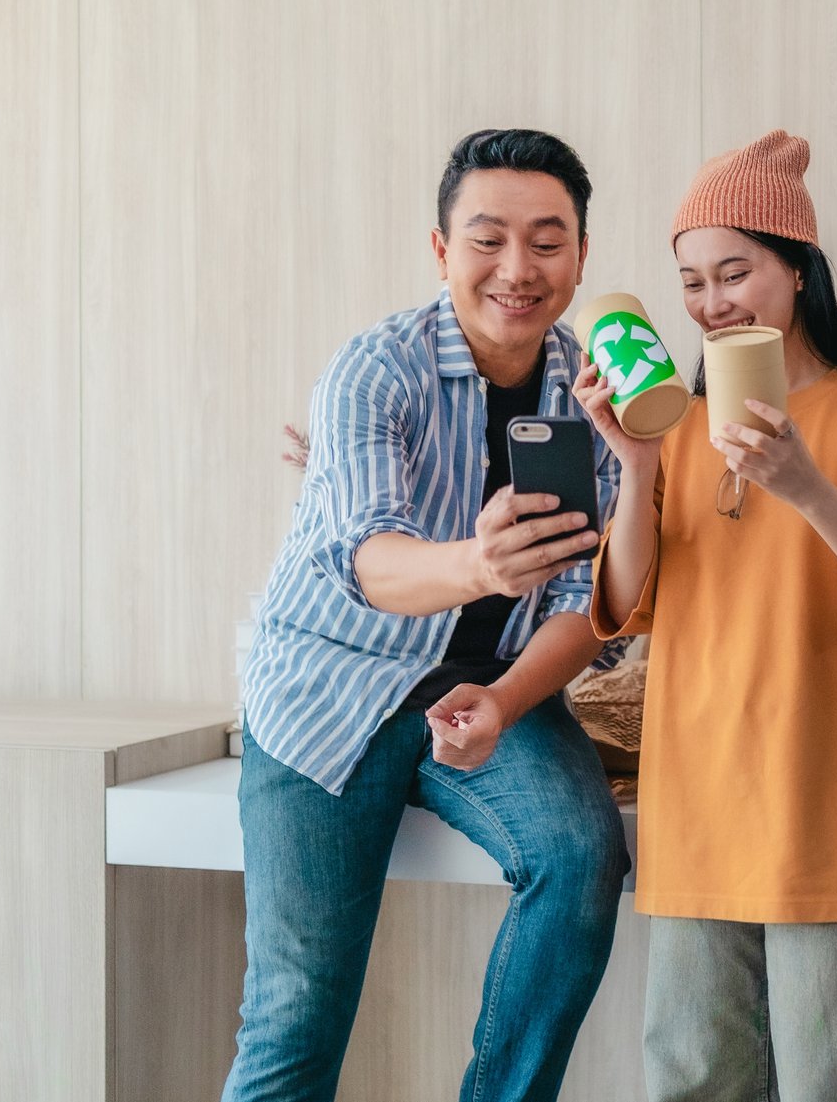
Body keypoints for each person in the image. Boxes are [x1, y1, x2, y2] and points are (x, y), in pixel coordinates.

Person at [227, 129, 631, 1102]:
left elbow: (588, 606)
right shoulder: (375, 371)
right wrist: (477, 561)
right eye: (487, 238)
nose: (518, 268)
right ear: (441, 249)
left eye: (548, 240)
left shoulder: (593, 395)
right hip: (328, 690)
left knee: (581, 858)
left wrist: (501, 698)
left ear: (580, 255)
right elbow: (365, 559)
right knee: (297, 1008)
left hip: (493, 688)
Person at [573, 130, 837, 1102]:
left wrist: (805, 484)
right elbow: (624, 606)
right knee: (692, 1080)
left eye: (735, 271)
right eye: (692, 281)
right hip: (700, 805)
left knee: (833, 1084)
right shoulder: (683, 430)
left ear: (796, 269)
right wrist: (636, 462)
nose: (711, 302)